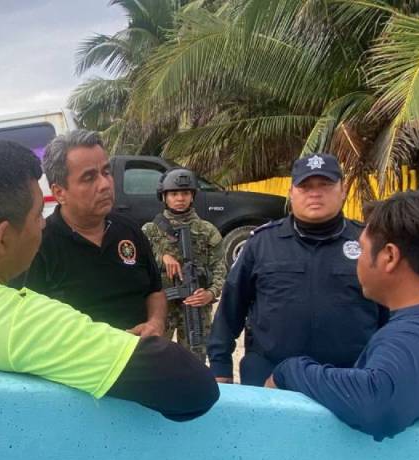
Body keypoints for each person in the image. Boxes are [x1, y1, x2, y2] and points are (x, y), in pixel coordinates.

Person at [0, 140, 219, 421]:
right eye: (35, 217)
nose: (41, 226)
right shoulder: (22, 320)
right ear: (1, 237)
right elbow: (195, 387)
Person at [267, 188, 419, 440]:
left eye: (362, 249)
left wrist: (290, 371)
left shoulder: (414, 339)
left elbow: (377, 405)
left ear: (389, 256)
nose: (358, 260)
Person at [208, 153, 388, 385]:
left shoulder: (369, 242)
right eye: (305, 186)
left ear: (343, 190)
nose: (315, 193)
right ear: (291, 193)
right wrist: (219, 366)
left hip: (348, 381)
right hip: (270, 379)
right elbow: (230, 308)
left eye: (325, 184)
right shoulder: (261, 243)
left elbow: (389, 313)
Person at [23, 130, 166, 337]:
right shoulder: (39, 245)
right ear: (59, 192)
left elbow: (155, 291)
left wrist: (156, 322)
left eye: (106, 172)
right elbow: (32, 324)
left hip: (141, 358)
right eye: (89, 178)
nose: (105, 184)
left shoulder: (129, 230)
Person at [142, 168, 226, 360]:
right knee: (152, 357)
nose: (180, 198)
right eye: (174, 194)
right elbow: (137, 263)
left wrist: (210, 293)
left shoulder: (207, 231)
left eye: (185, 193)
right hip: (161, 305)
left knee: (194, 359)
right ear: (164, 196)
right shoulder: (150, 230)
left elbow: (219, 268)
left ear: (192, 196)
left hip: (196, 305)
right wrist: (160, 256)